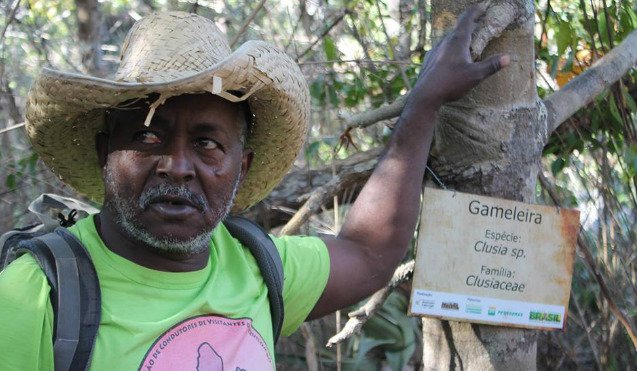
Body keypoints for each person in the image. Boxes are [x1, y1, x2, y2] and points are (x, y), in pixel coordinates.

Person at [0, 5, 507, 370]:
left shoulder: (258, 267)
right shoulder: (33, 298)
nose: (177, 166)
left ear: (242, 167)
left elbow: (371, 252)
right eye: (147, 135)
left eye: (207, 144)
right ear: (102, 152)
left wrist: (422, 106)